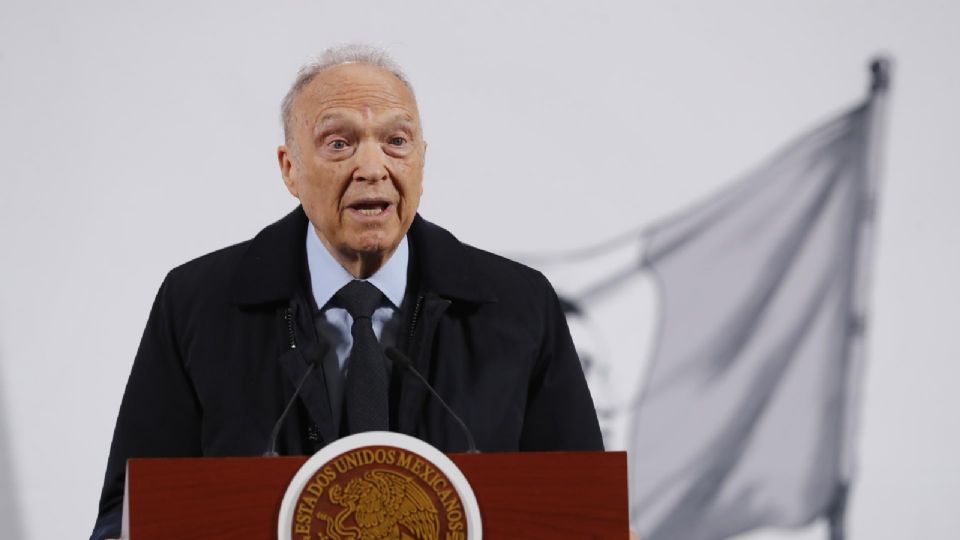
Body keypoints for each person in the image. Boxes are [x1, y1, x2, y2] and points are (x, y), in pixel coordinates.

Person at [91, 44, 603, 540]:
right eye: (340, 143)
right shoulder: (197, 304)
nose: (372, 166)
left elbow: (581, 510)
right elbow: (131, 514)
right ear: (289, 168)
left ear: (421, 161)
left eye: (396, 142)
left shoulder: (518, 306)